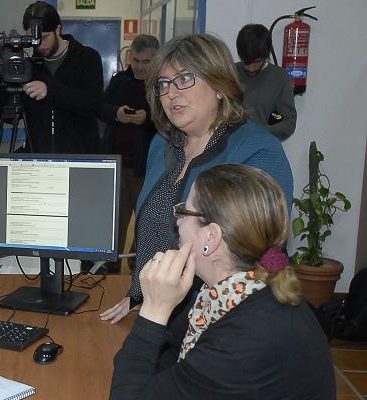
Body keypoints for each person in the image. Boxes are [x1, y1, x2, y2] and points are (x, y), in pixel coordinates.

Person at [108, 164, 342, 400]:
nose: (177, 220)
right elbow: (147, 371)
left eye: (185, 211)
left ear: (211, 238)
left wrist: (154, 311)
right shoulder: (224, 294)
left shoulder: (250, 335)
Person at [100, 33, 294, 324]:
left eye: (184, 79)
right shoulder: (161, 145)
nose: (171, 93)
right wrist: (140, 294)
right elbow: (155, 235)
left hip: (227, 321)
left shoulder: (257, 151)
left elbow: (261, 256)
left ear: (219, 85)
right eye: (163, 84)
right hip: (158, 312)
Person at [0, 1, 103, 154]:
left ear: (58, 29)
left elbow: (93, 105)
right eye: (33, 39)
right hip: (38, 158)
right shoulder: (29, 66)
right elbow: (11, 117)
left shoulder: (87, 58)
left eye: (44, 37)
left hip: (79, 156)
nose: (39, 45)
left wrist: (49, 91)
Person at [99, 34, 159, 272]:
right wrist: (117, 113)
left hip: (145, 165)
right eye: (136, 60)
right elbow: (100, 108)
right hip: (116, 162)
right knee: (115, 222)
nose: (140, 66)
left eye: (146, 61)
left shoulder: (162, 85)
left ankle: (139, 268)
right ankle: (109, 268)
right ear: (130, 57)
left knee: (145, 221)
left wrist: (148, 119)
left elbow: (171, 121)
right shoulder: (119, 81)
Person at [236, 23, 297, 141]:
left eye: (256, 61)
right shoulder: (231, 73)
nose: (251, 68)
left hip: (262, 147)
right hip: (231, 148)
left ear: (266, 55)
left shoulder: (280, 78)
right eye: (246, 61)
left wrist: (261, 132)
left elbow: (288, 122)